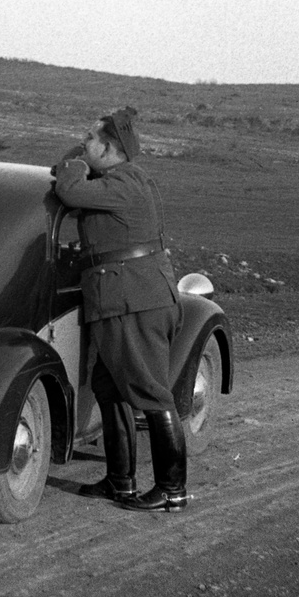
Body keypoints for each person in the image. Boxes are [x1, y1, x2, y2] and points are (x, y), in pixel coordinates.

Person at [52, 106, 188, 513]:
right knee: (110, 389)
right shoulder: (117, 178)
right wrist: (83, 151)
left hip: (134, 300)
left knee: (149, 391)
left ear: (108, 148)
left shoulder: (124, 183)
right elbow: (63, 173)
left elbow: (68, 188)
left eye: (91, 138)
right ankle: (120, 481)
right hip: (124, 298)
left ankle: (172, 489)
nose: (83, 142)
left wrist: (78, 157)